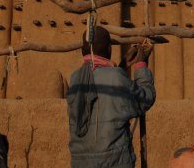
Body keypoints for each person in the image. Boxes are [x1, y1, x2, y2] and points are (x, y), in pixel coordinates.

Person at [67, 26, 156, 168]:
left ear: (82, 50)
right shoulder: (115, 77)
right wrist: (141, 65)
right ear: (109, 49)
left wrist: (122, 66)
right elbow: (145, 99)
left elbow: (103, 89)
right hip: (113, 163)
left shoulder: (75, 79)